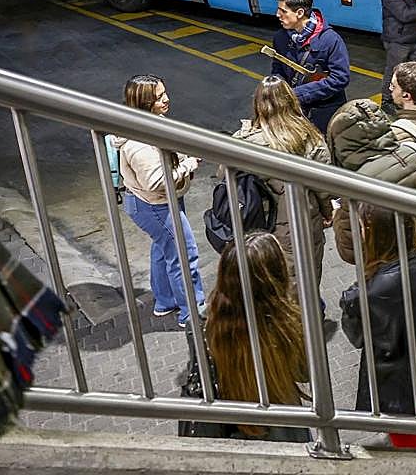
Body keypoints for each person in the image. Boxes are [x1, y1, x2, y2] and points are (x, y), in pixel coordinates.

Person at [340, 204, 416, 451]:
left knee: (413, 450)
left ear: (372, 235)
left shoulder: (362, 295)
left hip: (398, 391)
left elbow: (358, 337)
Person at [195, 232, 311, 443]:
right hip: (285, 428)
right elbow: (304, 373)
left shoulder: (202, 323)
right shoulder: (287, 321)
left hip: (231, 427)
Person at [112, 74, 204, 329]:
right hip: (154, 204)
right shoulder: (140, 144)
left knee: (165, 251)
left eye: (164, 93)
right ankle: (193, 313)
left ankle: (164, 301)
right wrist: (188, 164)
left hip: (155, 201)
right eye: (159, 97)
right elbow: (156, 182)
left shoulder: (145, 122)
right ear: (144, 103)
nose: (167, 99)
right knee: (184, 255)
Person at [230, 76, 332, 288]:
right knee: (307, 276)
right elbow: (324, 186)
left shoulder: (243, 141)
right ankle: (311, 314)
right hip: (304, 219)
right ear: (291, 100)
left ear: (258, 104)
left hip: (259, 225)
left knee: (274, 281)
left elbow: (225, 175)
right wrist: (327, 212)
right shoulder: (309, 136)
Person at [325, 99, 416, 265]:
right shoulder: (414, 156)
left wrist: (337, 217)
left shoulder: (353, 188)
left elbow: (349, 251)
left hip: (384, 270)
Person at [271, 0, 350, 134]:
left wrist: (296, 94)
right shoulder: (280, 38)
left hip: (326, 113)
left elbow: (340, 78)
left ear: (300, 13)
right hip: (294, 112)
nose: (277, 15)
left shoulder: (330, 40)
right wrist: (276, 87)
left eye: (283, 11)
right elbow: (278, 68)